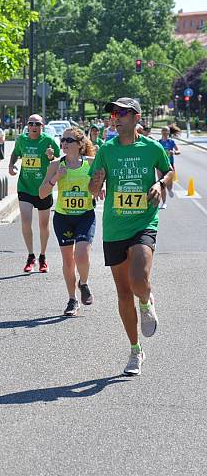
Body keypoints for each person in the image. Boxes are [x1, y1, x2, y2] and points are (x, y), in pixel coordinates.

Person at [89, 97, 173, 376]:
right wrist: (96, 183)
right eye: (114, 114)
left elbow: (170, 172)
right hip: (115, 227)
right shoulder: (106, 150)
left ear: (136, 117)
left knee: (139, 279)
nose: (116, 117)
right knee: (123, 293)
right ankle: (135, 351)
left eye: (122, 113)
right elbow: (92, 187)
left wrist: (161, 184)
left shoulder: (152, 148)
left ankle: (147, 303)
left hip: (143, 222)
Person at [40, 127, 96, 316]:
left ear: (80, 144)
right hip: (63, 217)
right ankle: (72, 299)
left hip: (85, 216)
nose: (64, 143)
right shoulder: (56, 164)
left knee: (81, 254)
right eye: (63, 140)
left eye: (69, 140)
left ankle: (84, 283)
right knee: (68, 260)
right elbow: (42, 193)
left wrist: (100, 187)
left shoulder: (90, 163)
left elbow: (103, 180)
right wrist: (56, 177)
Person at [8, 114, 60, 273]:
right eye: (31, 124)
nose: (34, 126)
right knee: (25, 220)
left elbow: (58, 158)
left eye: (37, 124)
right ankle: (31, 256)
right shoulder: (22, 140)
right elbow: (15, 153)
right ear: (27, 126)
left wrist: (51, 156)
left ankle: (43, 256)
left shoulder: (48, 141)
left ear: (42, 126)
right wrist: (11, 165)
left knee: (43, 224)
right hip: (25, 186)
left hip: (43, 188)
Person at [158, 126, 180, 209]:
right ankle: (164, 203)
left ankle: (170, 189)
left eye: (166, 130)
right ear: (161, 132)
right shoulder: (158, 142)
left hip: (170, 164)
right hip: (160, 165)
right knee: (162, 183)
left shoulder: (171, 142)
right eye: (163, 130)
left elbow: (178, 151)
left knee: (169, 182)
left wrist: (174, 152)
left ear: (168, 132)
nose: (164, 132)